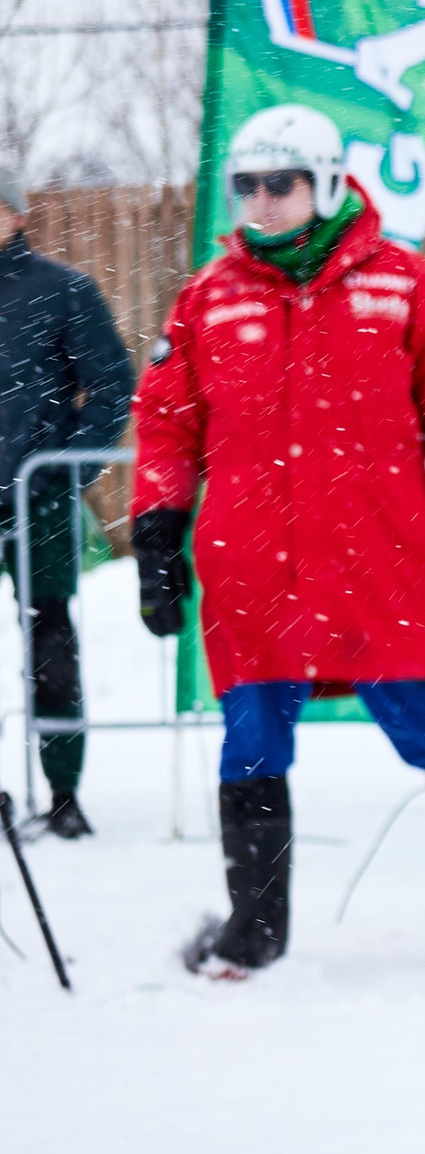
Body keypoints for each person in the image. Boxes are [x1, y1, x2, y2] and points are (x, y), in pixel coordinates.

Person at [132, 105, 425, 977]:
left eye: (280, 183)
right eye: (246, 185)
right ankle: (252, 933)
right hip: (253, 575)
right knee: (251, 743)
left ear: (325, 184)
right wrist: (155, 530)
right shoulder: (207, 298)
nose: (262, 200)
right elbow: (168, 427)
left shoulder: (404, 283)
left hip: (383, 567)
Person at [0, 164, 135, 838]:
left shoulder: (62, 294)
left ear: (16, 215)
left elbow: (112, 388)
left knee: (51, 642)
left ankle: (63, 791)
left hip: (36, 500)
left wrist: (63, 469)